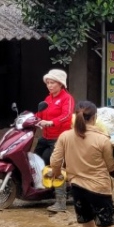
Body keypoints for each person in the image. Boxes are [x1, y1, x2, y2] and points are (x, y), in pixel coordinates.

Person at [48, 101, 114, 227]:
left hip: (77, 189)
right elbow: (111, 165)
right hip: (99, 190)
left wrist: (56, 175)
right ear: (95, 118)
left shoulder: (65, 136)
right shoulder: (103, 140)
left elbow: (55, 161)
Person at [34, 68, 75, 211]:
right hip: (46, 136)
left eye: (53, 83)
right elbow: (40, 113)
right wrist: (33, 118)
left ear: (61, 84)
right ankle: (44, 188)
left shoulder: (67, 98)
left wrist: (52, 122)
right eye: (48, 83)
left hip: (60, 138)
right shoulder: (48, 98)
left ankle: (60, 202)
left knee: (56, 165)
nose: (50, 86)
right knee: (36, 159)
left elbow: (67, 115)